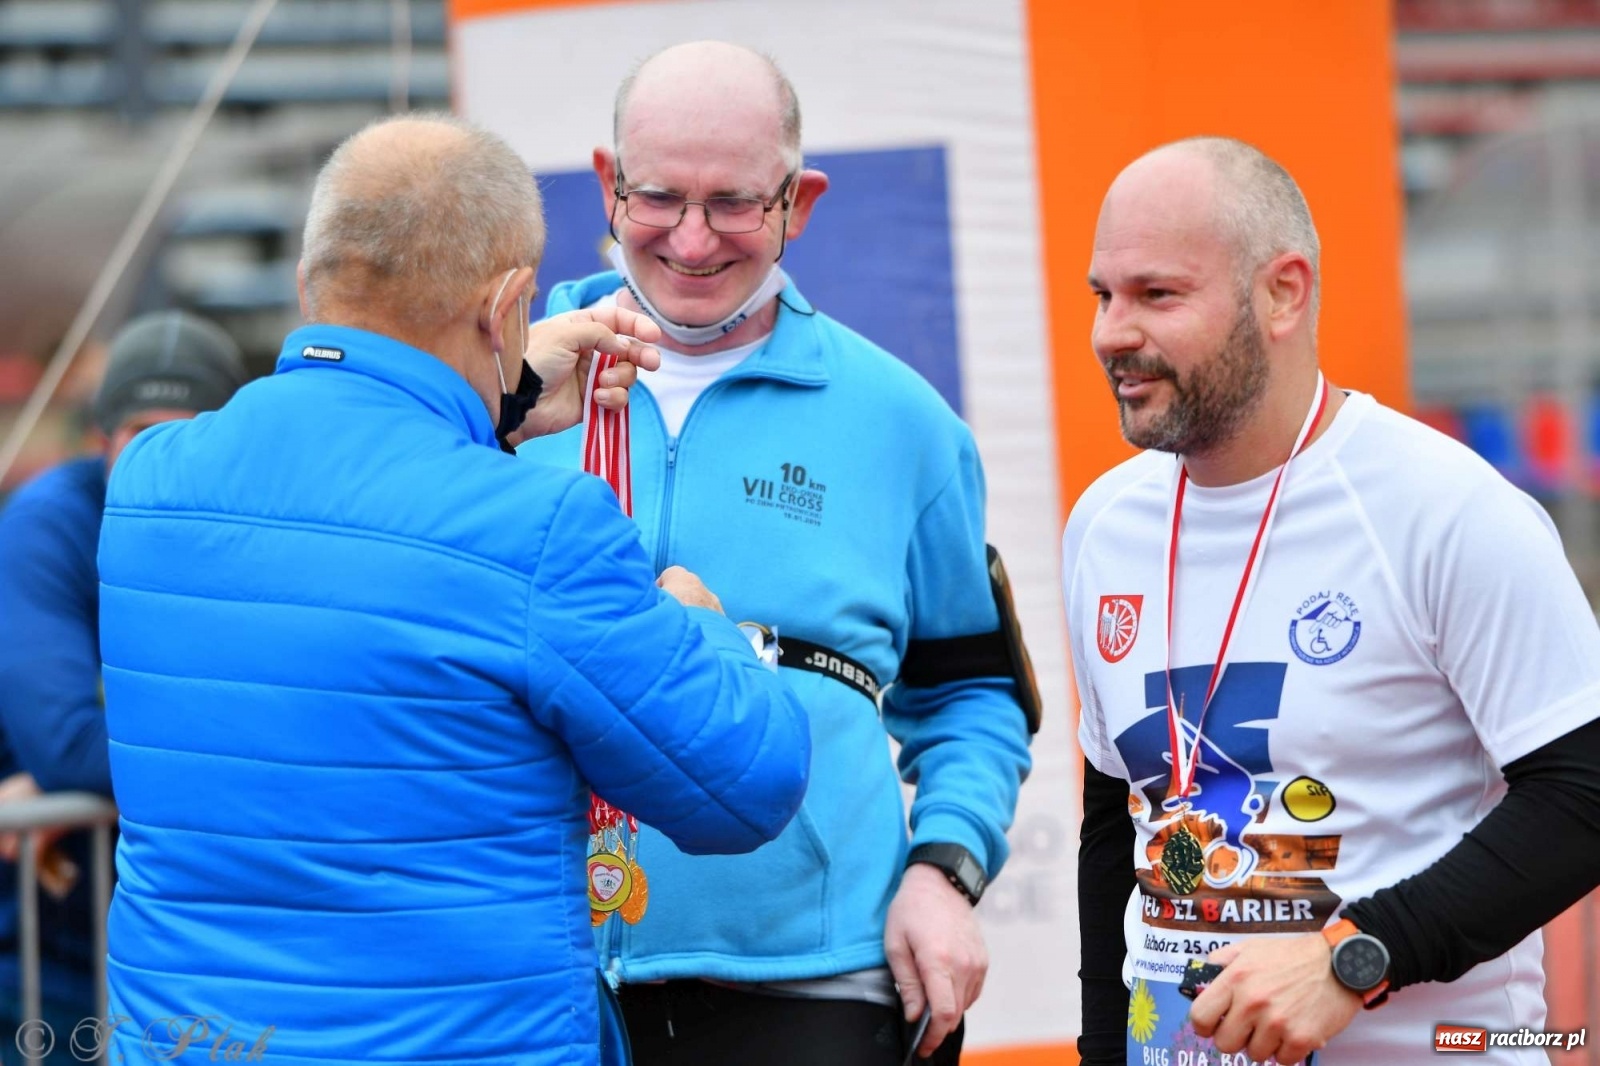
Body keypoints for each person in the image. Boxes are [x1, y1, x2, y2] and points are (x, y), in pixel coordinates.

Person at [96, 113, 812, 1066]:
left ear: (312, 283)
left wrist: (497, 406)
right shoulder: (535, 528)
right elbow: (744, 784)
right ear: (510, 303)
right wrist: (707, 631)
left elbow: (366, 534)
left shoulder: (147, 485)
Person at [517, 41, 1036, 1066]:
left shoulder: (902, 423)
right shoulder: (498, 395)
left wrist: (945, 869)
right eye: (659, 196)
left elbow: (973, 692)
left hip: (809, 980)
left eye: (736, 203)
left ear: (799, 201)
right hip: (531, 968)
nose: (694, 238)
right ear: (605, 184)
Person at [1064, 136, 1600, 1066]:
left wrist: (1353, 958)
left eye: (1156, 295)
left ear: (1283, 292)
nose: (1113, 331)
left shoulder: (1447, 511)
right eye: (1102, 295)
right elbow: (1118, 822)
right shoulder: (1103, 523)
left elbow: (1584, 793)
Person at [0, 309, 248, 1044]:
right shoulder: (50, 525)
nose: (166, 456)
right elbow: (67, 745)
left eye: (191, 432)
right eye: (143, 434)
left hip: (208, 957)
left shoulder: (253, 530)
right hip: (51, 962)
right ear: (100, 441)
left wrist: (82, 774)